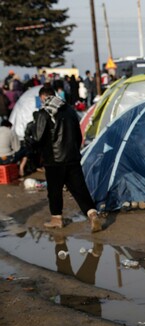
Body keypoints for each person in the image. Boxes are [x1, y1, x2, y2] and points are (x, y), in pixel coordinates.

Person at [29, 86, 102, 232]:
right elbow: (78, 134)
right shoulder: (70, 110)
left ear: (43, 97)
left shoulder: (44, 113)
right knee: (79, 189)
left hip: (54, 160)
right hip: (72, 157)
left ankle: (56, 219)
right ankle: (92, 213)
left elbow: (37, 138)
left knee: (54, 191)